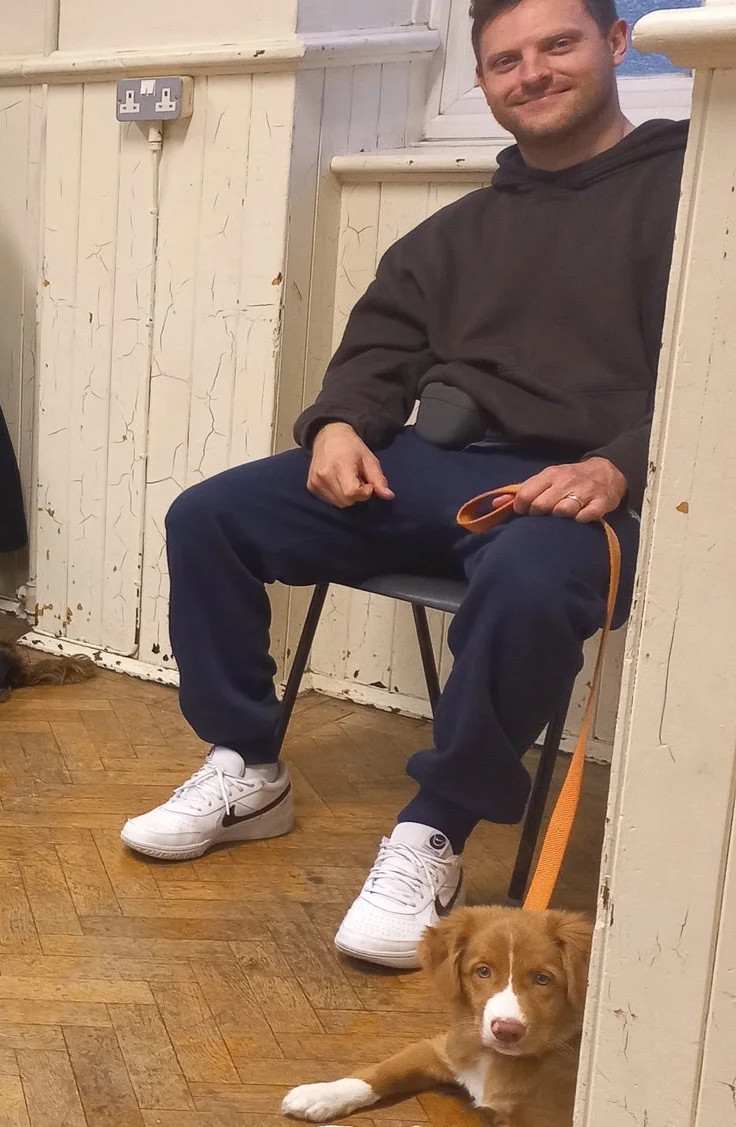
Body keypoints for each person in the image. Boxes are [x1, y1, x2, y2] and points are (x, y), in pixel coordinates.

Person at [119, 0, 682, 969]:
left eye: (557, 44)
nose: (531, 73)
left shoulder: (691, 197)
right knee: (209, 514)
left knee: (530, 580)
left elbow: (710, 372)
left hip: (588, 489)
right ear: (481, 81)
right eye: (505, 60)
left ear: (617, 43)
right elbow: (377, 352)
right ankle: (248, 763)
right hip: (432, 468)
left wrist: (616, 462)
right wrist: (337, 424)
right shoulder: (451, 232)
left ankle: (435, 826)